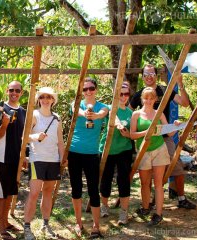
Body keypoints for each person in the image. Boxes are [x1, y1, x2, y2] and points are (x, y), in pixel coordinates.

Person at [129, 64, 196, 210]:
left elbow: (184, 103)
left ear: (156, 75)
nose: (149, 77)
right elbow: (128, 113)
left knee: (176, 165)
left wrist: (180, 84)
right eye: (146, 74)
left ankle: (181, 198)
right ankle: (150, 202)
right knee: (147, 175)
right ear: (142, 77)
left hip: (164, 137)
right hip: (146, 140)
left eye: (152, 73)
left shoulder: (165, 90)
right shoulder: (139, 95)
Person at [130, 87, 180, 226]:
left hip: (159, 149)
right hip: (143, 151)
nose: (149, 101)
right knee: (145, 183)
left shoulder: (159, 114)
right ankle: (145, 208)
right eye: (146, 98)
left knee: (158, 184)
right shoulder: (136, 115)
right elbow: (132, 135)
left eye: (151, 98)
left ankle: (158, 214)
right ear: (142, 99)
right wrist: (147, 132)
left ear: (155, 100)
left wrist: (175, 126)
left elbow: (169, 133)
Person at [67, 78, 108, 239]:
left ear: (96, 89)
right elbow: (76, 111)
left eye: (91, 88)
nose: (88, 92)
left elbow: (102, 114)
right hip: (74, 152)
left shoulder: (102, 107)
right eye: (85, 90)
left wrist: (95, 115)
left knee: (93, 190)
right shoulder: (76, 104)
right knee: (76, 189)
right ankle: (79, 223)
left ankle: (96, 226)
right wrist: (85, 113)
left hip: (92, 154)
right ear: (82, 92)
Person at [23, 87, 65, 240]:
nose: (46, 100)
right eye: (43, 97)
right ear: (39, 100)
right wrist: (35, 137)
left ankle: (45, 224)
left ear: (53, 100)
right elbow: (24, 136)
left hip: (53, 160)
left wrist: (62, 157)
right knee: (34, 193)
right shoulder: (34, 115)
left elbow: (60, 141)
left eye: (49, 97)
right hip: (37, 159)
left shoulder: (57, 118)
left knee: (48, 192)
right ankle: (27, 227)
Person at [0, 81, 26, 239]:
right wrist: (4, 124)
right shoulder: (0, 109)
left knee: (10, 191)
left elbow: (23, 136)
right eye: (11, 90)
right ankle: (1, 228)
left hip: (15, 158)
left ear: (21, 93)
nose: (14, 93)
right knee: (0, 193)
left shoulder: (24, 112)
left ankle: (5, 221)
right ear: (7, 91)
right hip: (0, 156)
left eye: (17, 90)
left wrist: (25, 156)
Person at [99, 83, 132, 225]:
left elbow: (133, 133)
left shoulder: (131, 113)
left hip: (124, 150)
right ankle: (104, 206)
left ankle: (124, 212)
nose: (123, 97)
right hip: (107, 149)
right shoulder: (109, 108)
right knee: (105, 179)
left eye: (126, 94)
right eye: (121, 94)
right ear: (115, 94)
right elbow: (113, 117)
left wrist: (128, 134)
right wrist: (118, 124)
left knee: (123, 180)